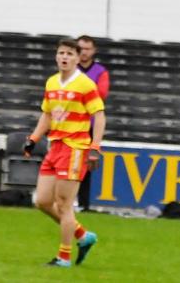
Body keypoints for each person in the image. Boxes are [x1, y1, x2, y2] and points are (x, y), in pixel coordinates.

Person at [24, 38, 106, 268]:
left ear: (78, 58)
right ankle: (82, 235)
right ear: (56, 56)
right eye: (61, 53)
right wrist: (33, 139)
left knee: (64, 204)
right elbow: (47, 115)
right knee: (42, 201)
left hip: (75, 148)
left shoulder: (85, 84)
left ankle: (64, 257)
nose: (64, 57)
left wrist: (95, 148)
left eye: (70, 53)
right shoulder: (51, 82)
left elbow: (99, 116)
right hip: (55, 146)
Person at [76, 34, 110, 212]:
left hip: (89, 124)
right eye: (80, 48)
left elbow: (101, 94)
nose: (83, 52)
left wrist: (79, 91)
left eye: (87, 49)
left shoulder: (101, 71)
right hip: (70, 124)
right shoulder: (70, 69)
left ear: (94, 51)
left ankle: (83, 203)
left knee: (86, 165)